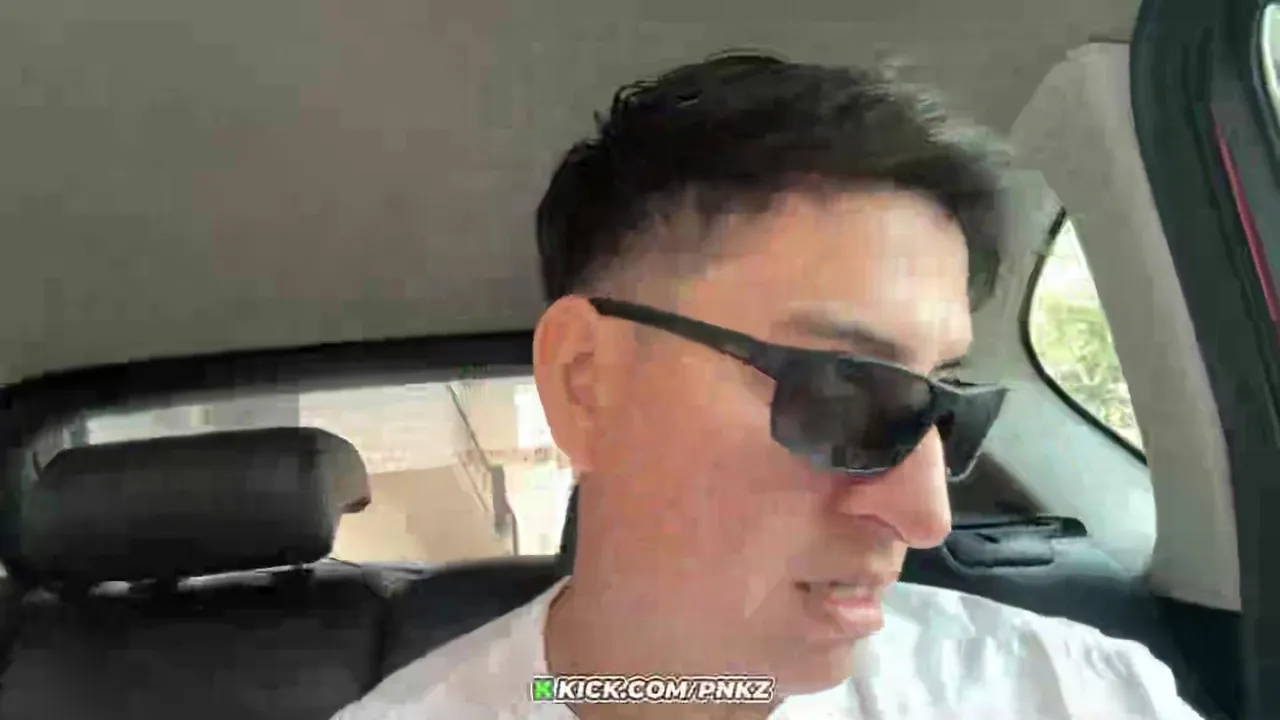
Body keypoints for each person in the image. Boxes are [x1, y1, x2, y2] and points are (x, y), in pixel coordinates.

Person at [333, 53, 1206, 720]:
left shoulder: (1074, 695)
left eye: (942, 409)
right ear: (587, 383)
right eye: (844, 394)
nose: (927, 517)